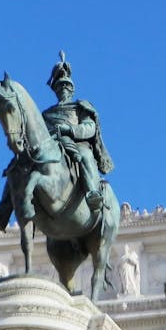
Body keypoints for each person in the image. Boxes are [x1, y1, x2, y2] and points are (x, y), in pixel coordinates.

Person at [42, 51, 113, 213]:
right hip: (52, 145)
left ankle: (92, 192)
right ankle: (7, 208)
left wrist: (70, 130)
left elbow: (89, 127)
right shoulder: (46, 114)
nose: (63, 89)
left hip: (76, 144)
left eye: (66, 86)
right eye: (59, 86)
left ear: (72, 90)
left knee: (86, 156)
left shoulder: (80, 107)